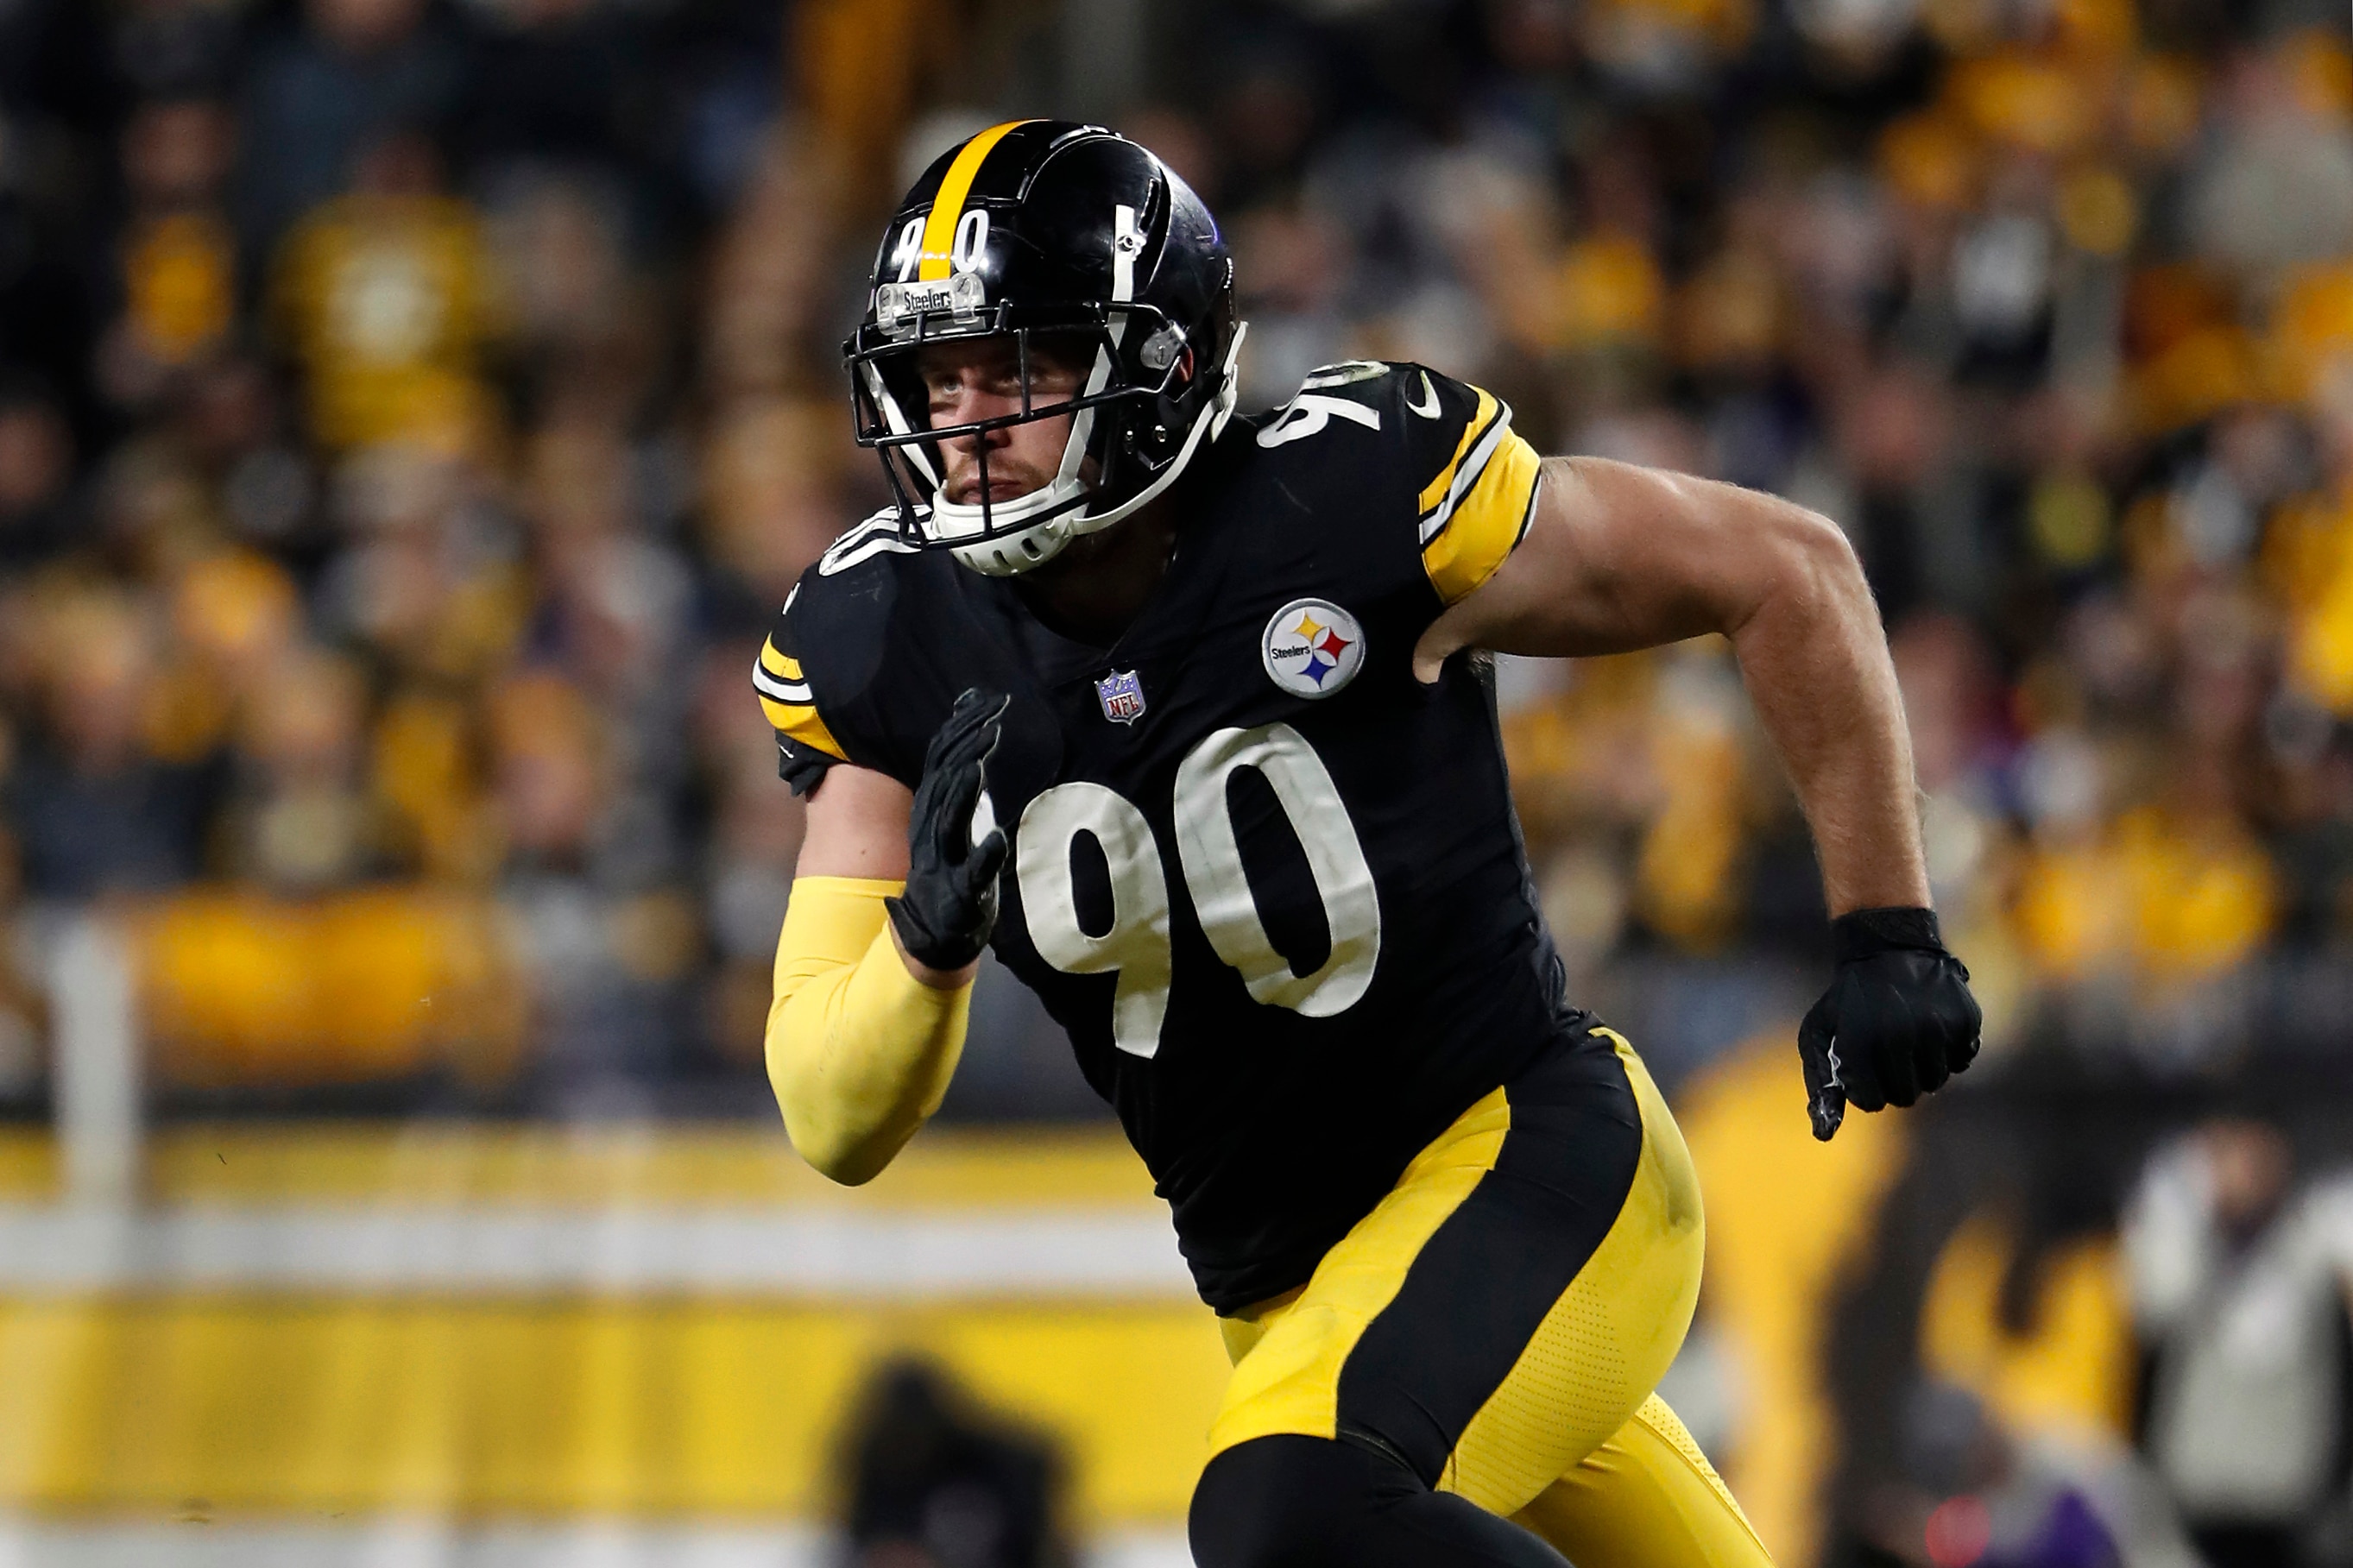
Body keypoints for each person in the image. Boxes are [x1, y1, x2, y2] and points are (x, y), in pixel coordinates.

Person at [757, 121, 1982, 1568]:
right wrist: (926, 948)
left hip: (1531, 1167)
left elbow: (1784, 569)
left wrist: (1887, 924)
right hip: (1291, 1297)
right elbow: (830, 1113)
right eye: (933, 374)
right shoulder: (885, 637)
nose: (961, 423)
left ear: (1154, 361)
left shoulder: (1342, 499)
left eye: (1013, 367)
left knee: (1281, 1508)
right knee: (1315, 1497)